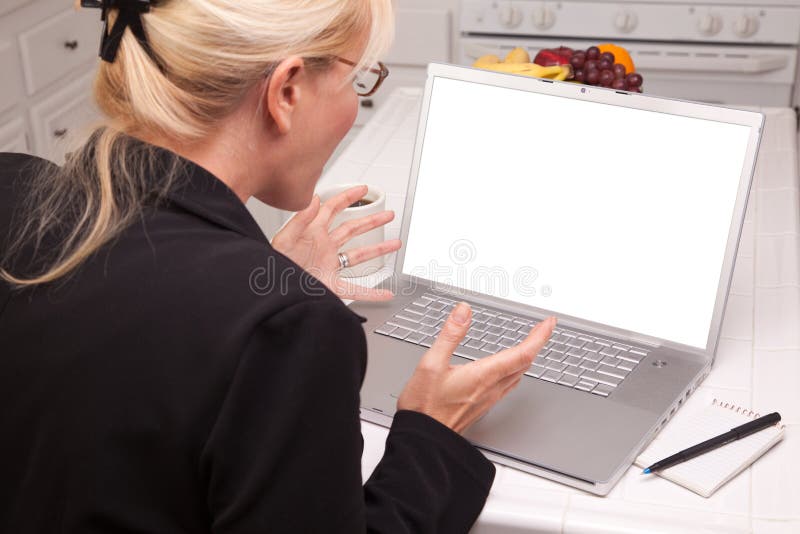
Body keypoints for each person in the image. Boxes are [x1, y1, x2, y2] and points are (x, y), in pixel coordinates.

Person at [0, 0, 556, 532]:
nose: (352, 105)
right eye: (356, 81)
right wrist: (432, 432)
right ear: (286, 90)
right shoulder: (286, 329)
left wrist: (258, 277)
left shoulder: (12, 185)